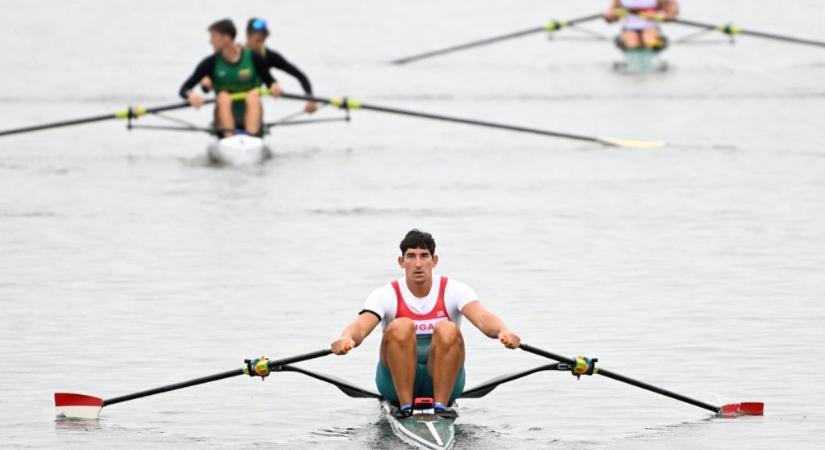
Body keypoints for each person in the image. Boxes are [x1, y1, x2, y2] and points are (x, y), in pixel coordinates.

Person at [329, 229, 521, 419]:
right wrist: (347, 338)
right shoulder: (385, 294)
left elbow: (483, 318)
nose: (418, 264)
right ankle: (405, 407)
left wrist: (503, 331)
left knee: (448, 328)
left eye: (424, 256)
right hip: (393, 383)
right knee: (400, 326)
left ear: (434, 260)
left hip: (445, 380)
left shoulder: (455, 290)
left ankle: (440, 406)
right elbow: (361, 326)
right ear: (401, 262)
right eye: (411, 256)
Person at [178, 19, 281, 137]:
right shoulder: (210, 63)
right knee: (223, 96)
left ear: (226, 38)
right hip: (223, 120)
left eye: (213, 36)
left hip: (253, 116)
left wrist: (275, 86)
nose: (210, 41)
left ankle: (251, 137)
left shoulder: (254, 58)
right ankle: (230, 138)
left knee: (253, 94)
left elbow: (270, 82)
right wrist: (190, 95)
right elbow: (184, 88)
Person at [604, 0, 680, 50]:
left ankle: (654, 48)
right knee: (631, 40)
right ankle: (634, 55)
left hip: (651, 29)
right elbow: (610, 18)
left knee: (649, 39)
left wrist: (655, 16)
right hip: (629, 30)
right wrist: (611, 15)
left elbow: (671, 15)